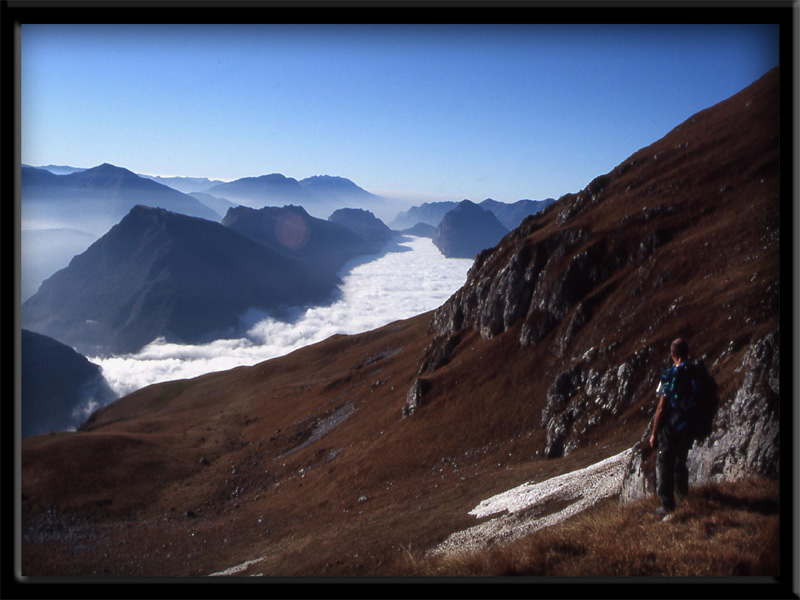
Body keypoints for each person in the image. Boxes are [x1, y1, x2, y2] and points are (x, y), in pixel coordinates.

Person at [648, 338, 696, 521]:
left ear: (673, 354)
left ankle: (667, 505)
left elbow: (661, 408)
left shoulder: (671, 375)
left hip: (671, 428)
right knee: (680, 461)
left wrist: (654, 433)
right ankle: (683, 496)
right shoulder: (695, 371)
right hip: (689, 426)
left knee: (664, 464)